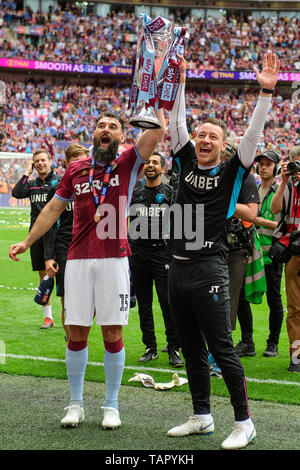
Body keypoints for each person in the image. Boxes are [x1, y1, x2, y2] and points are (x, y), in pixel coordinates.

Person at [9, 108, 166, 428]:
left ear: (122, 136)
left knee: (112, 332)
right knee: (76, 332)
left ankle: (111, 405)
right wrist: (27, 242)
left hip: (114, 259)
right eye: (100, 125)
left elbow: (155, 135)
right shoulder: (76, 169)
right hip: (78, 259)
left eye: (112, 126)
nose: (105, 129)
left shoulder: (127, 163)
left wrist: (158, 106)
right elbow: (53, 208)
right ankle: (76, 403)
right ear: (93, 134)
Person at [166, 51, 280, 449]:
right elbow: (177, 122)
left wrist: (265, 92)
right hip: (176, 270)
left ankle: (244, 422)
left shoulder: (234, 169)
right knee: (192, 348)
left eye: (213, 136)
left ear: (224, 145)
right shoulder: (184, 160)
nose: (205, 139)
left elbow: (252, 135)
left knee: (221, 348)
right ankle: (201, 416)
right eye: (202, 135)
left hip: (210, 268)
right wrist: (179, 81)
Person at [129, 151, 184, 368]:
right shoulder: (136, 191)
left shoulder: (170, 192)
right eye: (148, 162)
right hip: (138, 253)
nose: (150, 165)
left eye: (155, 162)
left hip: (162, 253)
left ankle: (174, 348)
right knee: (144, 303)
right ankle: (150, 347)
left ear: (162, 168)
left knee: (167, 303)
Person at [43, 143, 89, 340]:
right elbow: (49, 224)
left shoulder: (97, 186)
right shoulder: (58, 188)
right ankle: (73, 343)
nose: (81, 165)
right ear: (67, 163)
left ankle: (78, 339)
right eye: (76, 161)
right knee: (67, 302)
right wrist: (47, 258)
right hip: (65, 249)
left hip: (90, 248)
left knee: (90, 302)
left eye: (84, 161)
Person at [11, 149, 60, 329]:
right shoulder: (31, 184)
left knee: (63, 276)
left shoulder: (59, 181)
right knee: (43, 275)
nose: (40, 163)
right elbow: (16, 193)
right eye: (36, 161)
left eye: (43, 160)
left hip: (57, 234)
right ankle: (48, 317)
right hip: (37, 235)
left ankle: (68, 315)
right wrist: (26, 172)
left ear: (50, 161)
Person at [270, 146, 300, 373]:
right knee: (295, 307)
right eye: (295, 164)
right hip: (294, 252)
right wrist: (282, 181)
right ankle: (297, 356)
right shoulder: (287, 185)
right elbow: (274, 209)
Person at [253, 150, 284, 357]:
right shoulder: (254, 190)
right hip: (253, 253)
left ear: (276, 169)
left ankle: (272, 343)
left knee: (274, 298)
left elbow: (283, 226)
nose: (263, 167)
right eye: (261, 164)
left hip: (272, 253)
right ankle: (247, 340)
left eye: (268, 164)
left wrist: (262, 221)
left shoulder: (280, 192)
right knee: (244, 297)